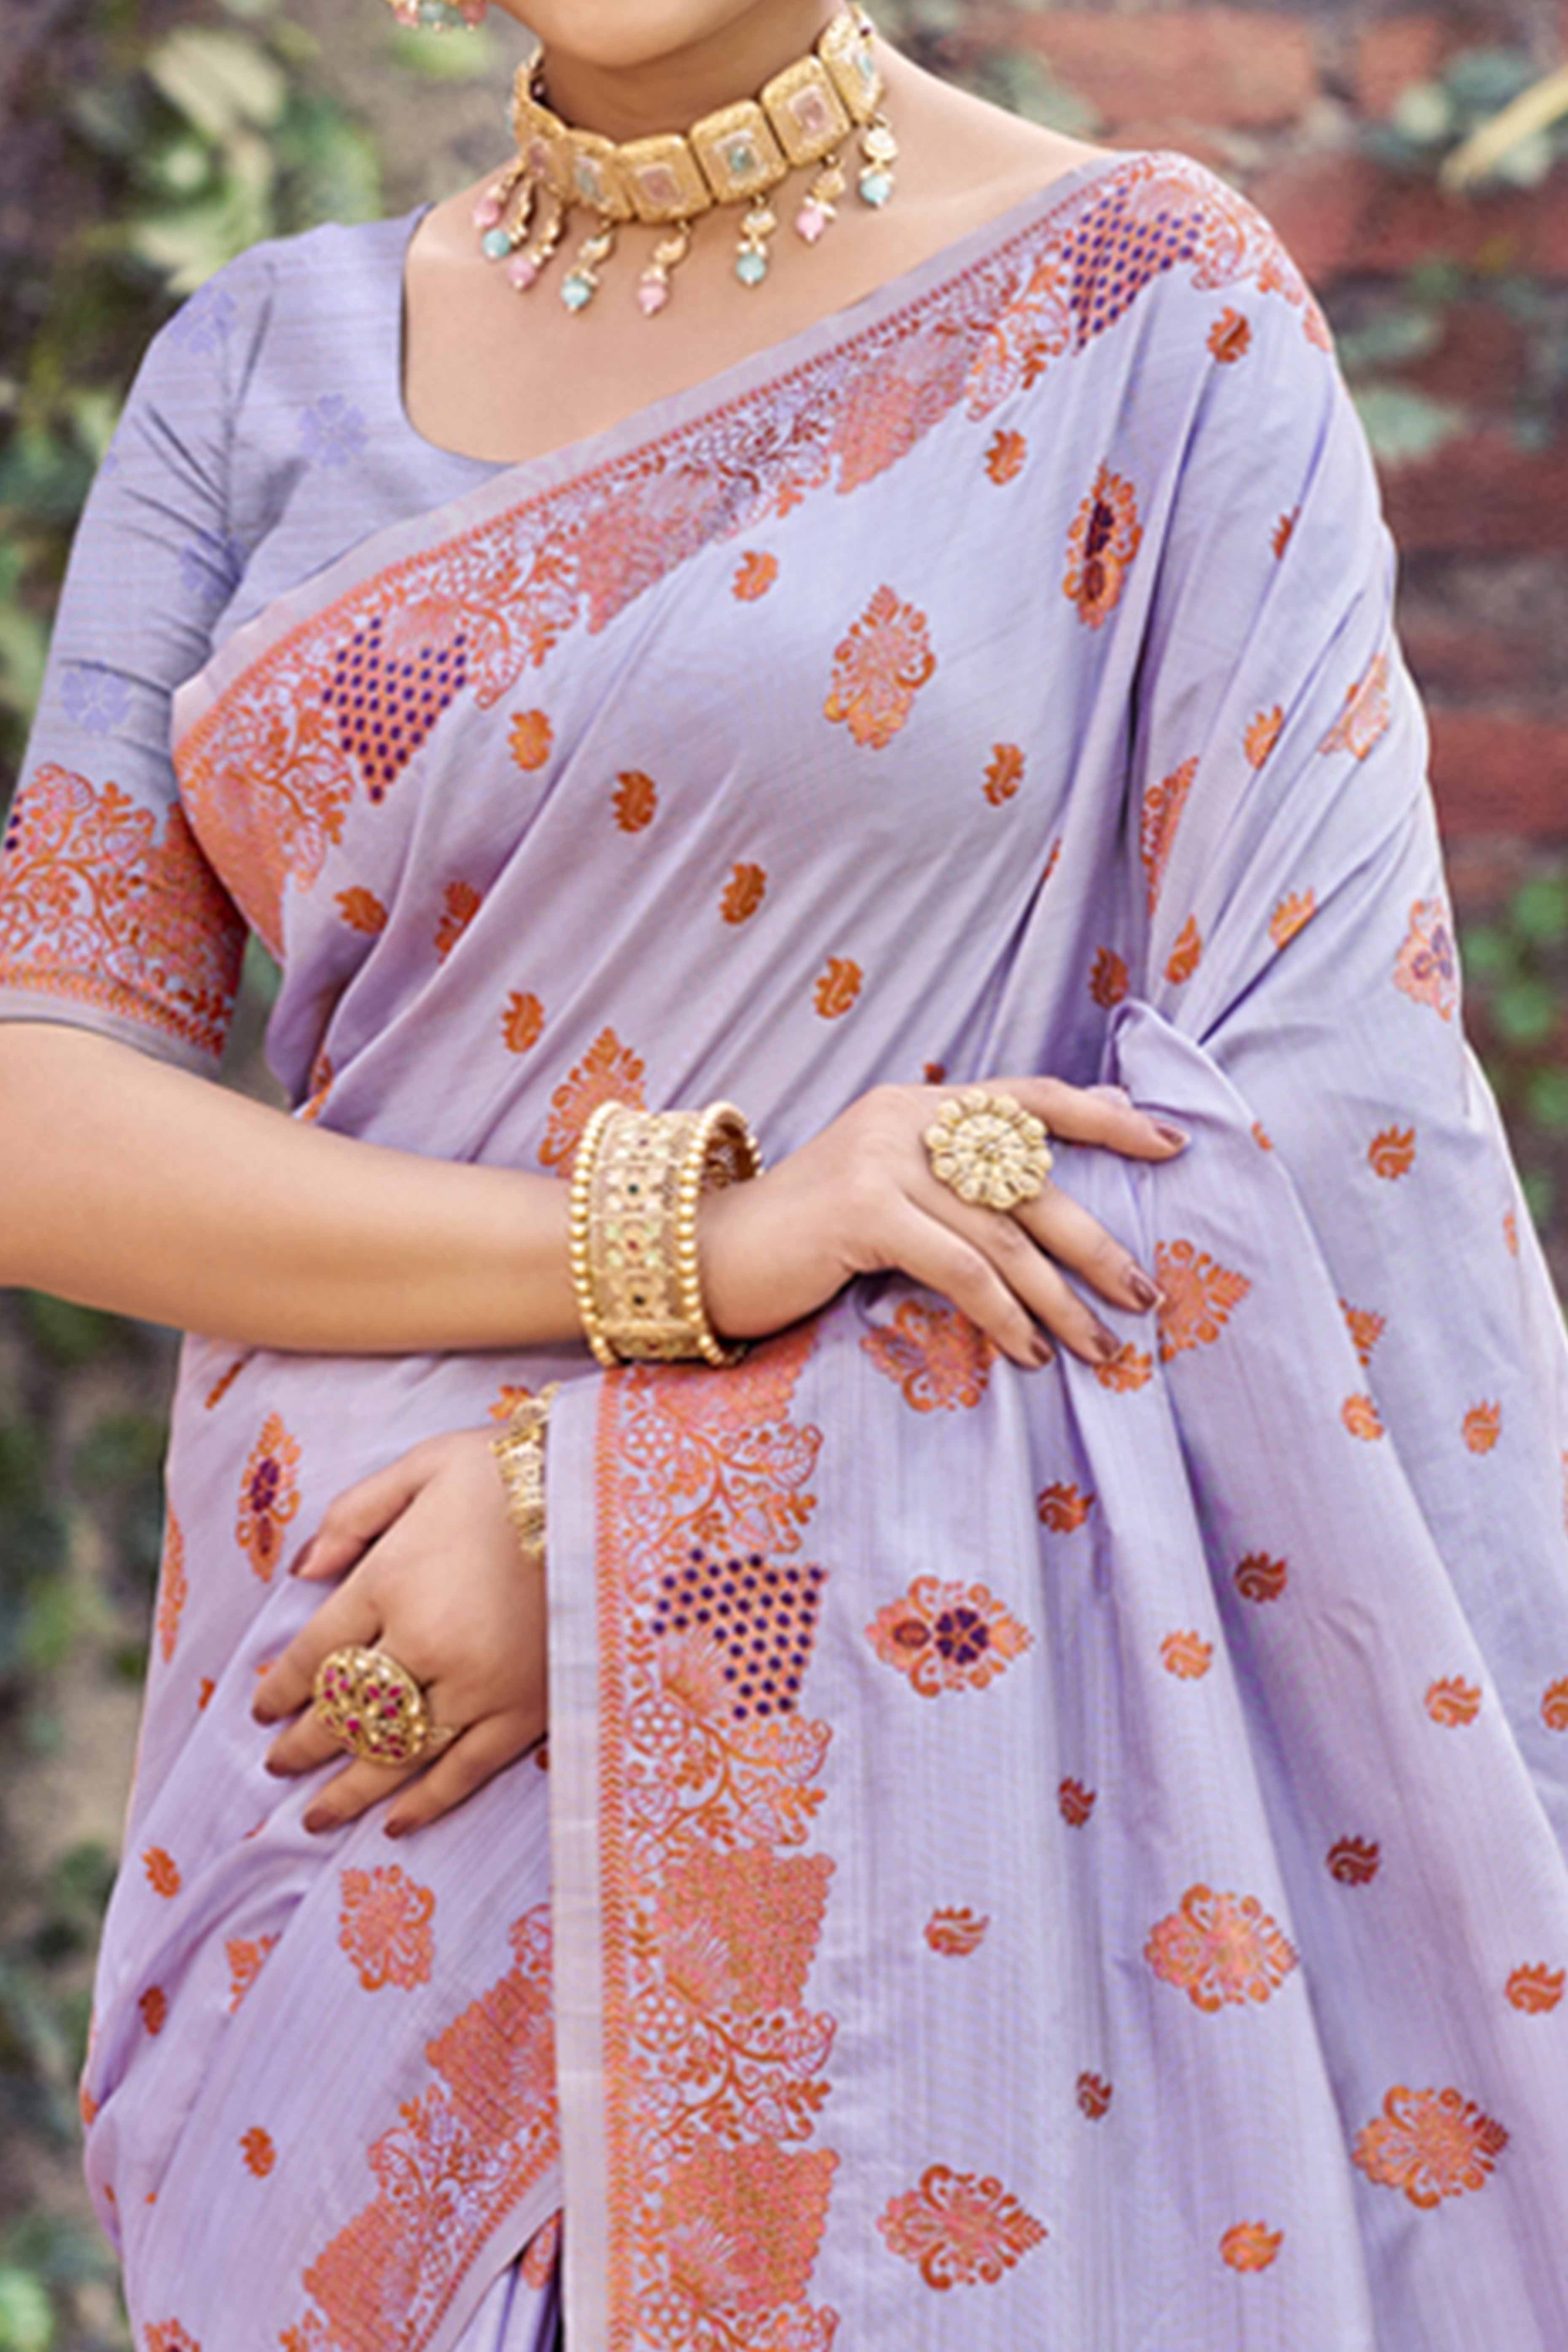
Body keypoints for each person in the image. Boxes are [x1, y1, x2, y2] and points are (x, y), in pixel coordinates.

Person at [3, 0, 1567, 2344]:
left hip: (916, 1792)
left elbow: (1316, 1127)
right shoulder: (251, 368)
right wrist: (693, 1245)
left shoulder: (1141, 309)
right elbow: (41, 1109)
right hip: (342, 1801)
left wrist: (620, 1523)